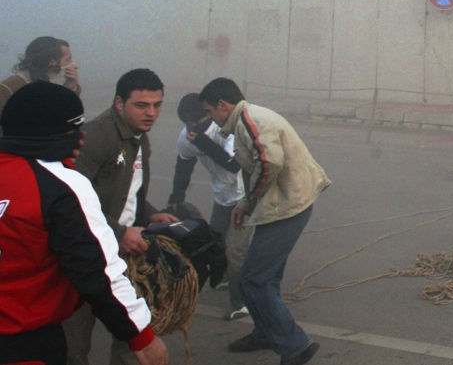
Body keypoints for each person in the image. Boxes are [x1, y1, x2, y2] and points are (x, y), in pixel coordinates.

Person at [0, 81, 168, 365]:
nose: (80, 139)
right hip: (25, 343)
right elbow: (97, 271)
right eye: (73, 130)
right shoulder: (61, 185)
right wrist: (142, 336)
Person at [199, 78, 330, 365]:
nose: (210, 118)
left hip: (288, 205)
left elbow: (270, 162)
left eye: (210, 111)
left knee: (252, 281)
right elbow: (259, 164)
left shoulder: (249, 120)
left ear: (223, 105)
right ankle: (266, 333)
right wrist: (248, 204)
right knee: (265, 278)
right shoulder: (248, 118)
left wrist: (249, 203)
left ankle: (296, 346)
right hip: (284, 202)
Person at [64, 68, 178, 365]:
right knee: (73, 347)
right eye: (141, 105)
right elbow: (70, 201)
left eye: (157, 105)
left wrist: (151, 215)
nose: (151, 113)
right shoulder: (95, 137)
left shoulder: (140, 137)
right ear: (119, 103)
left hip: (125, 255)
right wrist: (118, 232)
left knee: (133, 342)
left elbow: (129, 189)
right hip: (87, 257)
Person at [167, 92, 252, 321]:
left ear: (207, 115)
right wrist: (175, 198)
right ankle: (226, 276)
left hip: (246, 197)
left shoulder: (225, 131)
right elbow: (183, 165)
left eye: (196, 124)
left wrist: (204, 142)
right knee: (214, 243)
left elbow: (234, 165)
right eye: (188, 125)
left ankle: (242, 302)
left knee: (234, 251)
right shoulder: (187, 136)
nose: (192, 129)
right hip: (223, 197)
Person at [0, 36, 81, 116]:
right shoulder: (7, 89)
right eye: (68, 59)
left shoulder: (50, 86)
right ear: (51, 62)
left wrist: (68, 89)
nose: (74, 65)